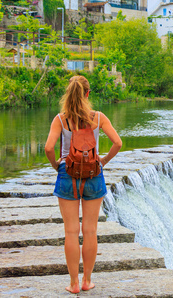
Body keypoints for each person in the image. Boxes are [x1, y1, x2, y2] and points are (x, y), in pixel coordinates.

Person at [44, 75, 122, 294]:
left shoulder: (60, 119)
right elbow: (118, 143)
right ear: (88, 94)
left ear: (68, 93)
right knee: (90, 230)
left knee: (71, 231)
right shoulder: (98, 117)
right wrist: (103, 161)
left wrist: (57, 166)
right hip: (94, 174)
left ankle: (74, 284)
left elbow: (49, 148)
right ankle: (87, 280)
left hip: (68, 175)